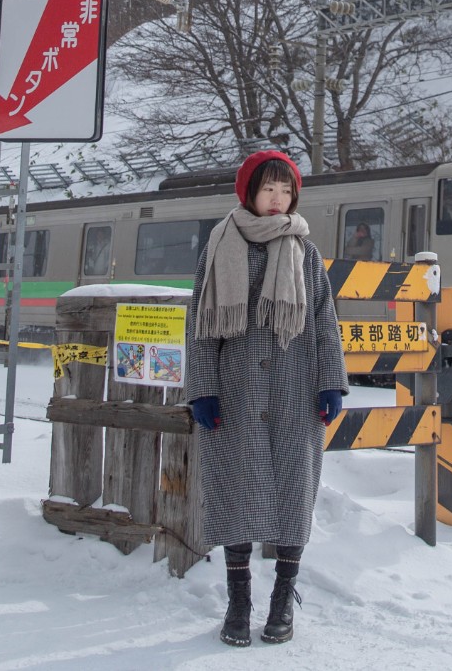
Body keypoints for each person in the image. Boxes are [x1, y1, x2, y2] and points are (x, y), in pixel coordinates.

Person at [185, 150, 347, 647]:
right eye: (268, 190)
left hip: (294, 392)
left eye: (285, 191)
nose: (277, 200)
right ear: (248, 194)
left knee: (293, 492)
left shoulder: (305, 251)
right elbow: (201, 328)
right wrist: (203, 391)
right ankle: (238, 603)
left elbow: (324, 322)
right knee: (234, 491)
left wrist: (330, 382)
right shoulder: (218, 248)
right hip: (234, 391)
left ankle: (283, 598)